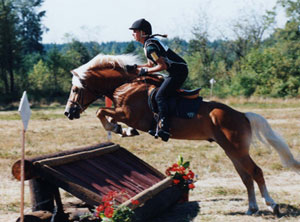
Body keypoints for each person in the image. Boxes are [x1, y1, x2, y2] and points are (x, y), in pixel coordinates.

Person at [129, 18, 188, 142]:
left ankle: (164, 127)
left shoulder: (151, 47)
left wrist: (144, 71)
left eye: (135, 31)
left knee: (160, 96)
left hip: (178, 72)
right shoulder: (148, 44)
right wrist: (136, 67)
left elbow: (162, 66)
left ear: (142, 33)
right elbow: (151, 64)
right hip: (176, 71)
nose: (133, 34)